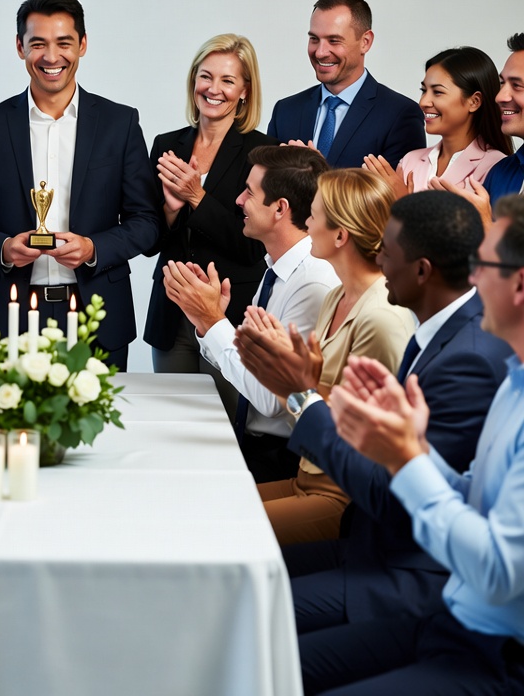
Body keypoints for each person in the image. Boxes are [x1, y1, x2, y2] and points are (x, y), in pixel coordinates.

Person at [299, 194, 524, 695]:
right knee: (268, 659)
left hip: (490, 646)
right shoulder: (511, 378)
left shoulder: (477, 360)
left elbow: (496, 571)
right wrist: (406, 450)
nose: (471, 276)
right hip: (450, 613)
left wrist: (405, 457)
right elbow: (470, 493)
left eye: (482, 264)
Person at [0, 0, 158, 370]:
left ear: (82, 44)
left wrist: (94, 249)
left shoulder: (119, 123)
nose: (51, 57)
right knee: (14, 430)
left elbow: (146, 222)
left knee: (97, 432)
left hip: (98, 316)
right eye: (37, 44)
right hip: (10, 317)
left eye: (63, 43)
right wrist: (4, 249)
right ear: (19, 47)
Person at [234, 169, 414, 544]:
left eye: (312, 216)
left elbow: (374, 430)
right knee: (210, 507)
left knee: (226, 529)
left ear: (340, 235)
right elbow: (319, 394)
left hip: (346, 494)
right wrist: (285, 369)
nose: (306, 225)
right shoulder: (336, 297)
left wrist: (289, 378)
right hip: (309, 474)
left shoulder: (381, 316)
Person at [162, 145, 338, 482]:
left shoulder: (312, 283)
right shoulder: (275, 268)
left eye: (249, 192)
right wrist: (205, 322)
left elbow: (270, 398)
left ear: (279, 209)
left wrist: (214, 322)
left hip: (282, 460)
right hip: (256, 445)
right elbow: (248, 366)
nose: (239, 201)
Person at [144, 34, 275, 385]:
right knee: (174, 425)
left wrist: (197, 197)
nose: (213, 88)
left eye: (227, 80)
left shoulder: (262, 152)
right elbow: (147, 242)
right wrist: (171, 211)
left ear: (245, 90)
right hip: (170, 312)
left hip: (230, 313)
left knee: (227, 429)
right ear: (193, 81)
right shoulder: (166, 144)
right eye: (206, 76)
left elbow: (254, 247)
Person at [267, 0, 425, 169]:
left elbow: (395, 195)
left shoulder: (399, 115)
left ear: (365, 42)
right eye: (314, 39)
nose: (320, 52)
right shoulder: (286, 111)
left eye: (334, 41)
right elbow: (265, 186)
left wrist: (319, 173)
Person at [364, 46, 509, 194]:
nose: (423, 102)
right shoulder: (410, 160)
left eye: (438, 92)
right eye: (424, 91)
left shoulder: (497, 166)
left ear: (474, 101)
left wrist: (402, 202)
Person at [436, 33, 524, 232]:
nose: (500, 97)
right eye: (502, 83)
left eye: (517, 86)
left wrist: (485, 226)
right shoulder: (502, 172)